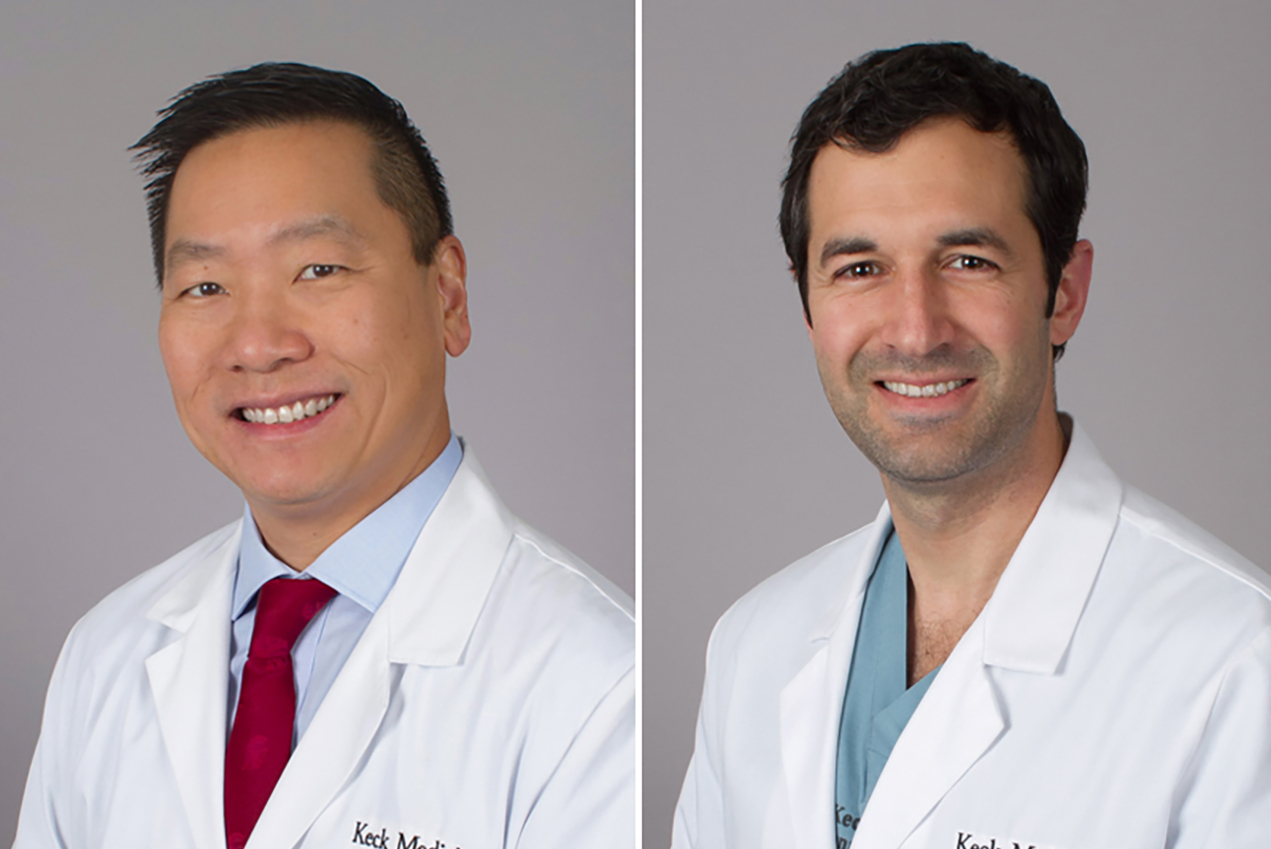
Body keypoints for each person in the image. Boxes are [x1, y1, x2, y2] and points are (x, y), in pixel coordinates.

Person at [15, 63, 633, 849]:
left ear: (446, 293)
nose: (258, 344)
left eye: (318, 269)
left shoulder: (598, 684)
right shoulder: (105, 654)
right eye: (205, 286)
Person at [671, 42, 1271, 849]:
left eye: (966, 260)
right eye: (859, 268)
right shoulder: (753, 646)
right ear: (807, 304)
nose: (915, 329)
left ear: (1063, 293)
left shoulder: (1236, 665)